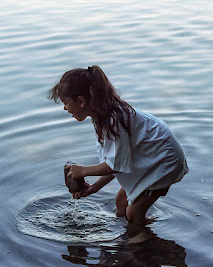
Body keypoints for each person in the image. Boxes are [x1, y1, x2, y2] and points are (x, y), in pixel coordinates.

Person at [48, 65, 188, 231]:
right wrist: (93, 188)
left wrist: (83, 171)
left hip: (162, 164)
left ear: (81, 101)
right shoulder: (105, 117)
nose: (65, 108)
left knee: (133, 214)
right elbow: (116, 163)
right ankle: (133, 237)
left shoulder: (114, 120)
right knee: (121, 203)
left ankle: (142, 244)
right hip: (149, 159)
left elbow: (115, 165)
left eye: (65, 103)